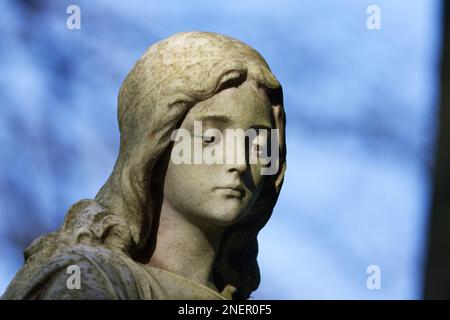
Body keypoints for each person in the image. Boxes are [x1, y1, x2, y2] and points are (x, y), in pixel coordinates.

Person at [2, 31, 286, 300]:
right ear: (154, 145)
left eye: (258, 145)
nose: (239, 162)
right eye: (210, 137)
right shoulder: (90, 278)